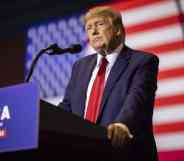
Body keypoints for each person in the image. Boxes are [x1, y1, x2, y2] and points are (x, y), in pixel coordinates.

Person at [59, 6, 159, 161]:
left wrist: (123, 124)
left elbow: (137, 99)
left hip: (123, 152)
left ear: (118, 30)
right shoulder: (80, 66)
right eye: (89, 28)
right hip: (81, 153)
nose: (93, 32)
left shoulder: (142, 61)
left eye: (99, 24)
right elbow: (67, 106)